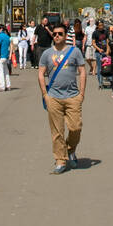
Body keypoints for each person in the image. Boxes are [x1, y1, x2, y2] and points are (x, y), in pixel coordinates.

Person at [38, 21, 87, 173]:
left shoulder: (74, 51)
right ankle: (60, 159)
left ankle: (70, 149)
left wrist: (82, 93)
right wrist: (45, 94)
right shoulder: (47, 54)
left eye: (60, 34)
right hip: (53, 97)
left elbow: (82, 71)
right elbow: (41, 73)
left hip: (73, 96)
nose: (57, 36)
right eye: (55, 34)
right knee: (57, 131)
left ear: (66, 36)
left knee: (75, 128)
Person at [0, 23, 13, 91]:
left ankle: (2, 86)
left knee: (0, 71)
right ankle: (8, 85)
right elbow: (11, 46)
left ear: (1, 29)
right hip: (6, 56)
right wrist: (10, 55)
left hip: (1, 56)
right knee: (6, 71)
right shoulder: (7, 36)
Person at [92, 22, 108, 90]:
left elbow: (107, 42)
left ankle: (110, 80)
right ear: (98, 26)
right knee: (100, 68)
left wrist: (108, 51)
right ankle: (100, 83)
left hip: (105, 52)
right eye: (100, 25)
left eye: (102, 25)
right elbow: (93, 43)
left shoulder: (106, 32)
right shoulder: (95, 33)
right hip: (98, 53)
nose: (101, 26)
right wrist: (99, 49)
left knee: (106, 66)